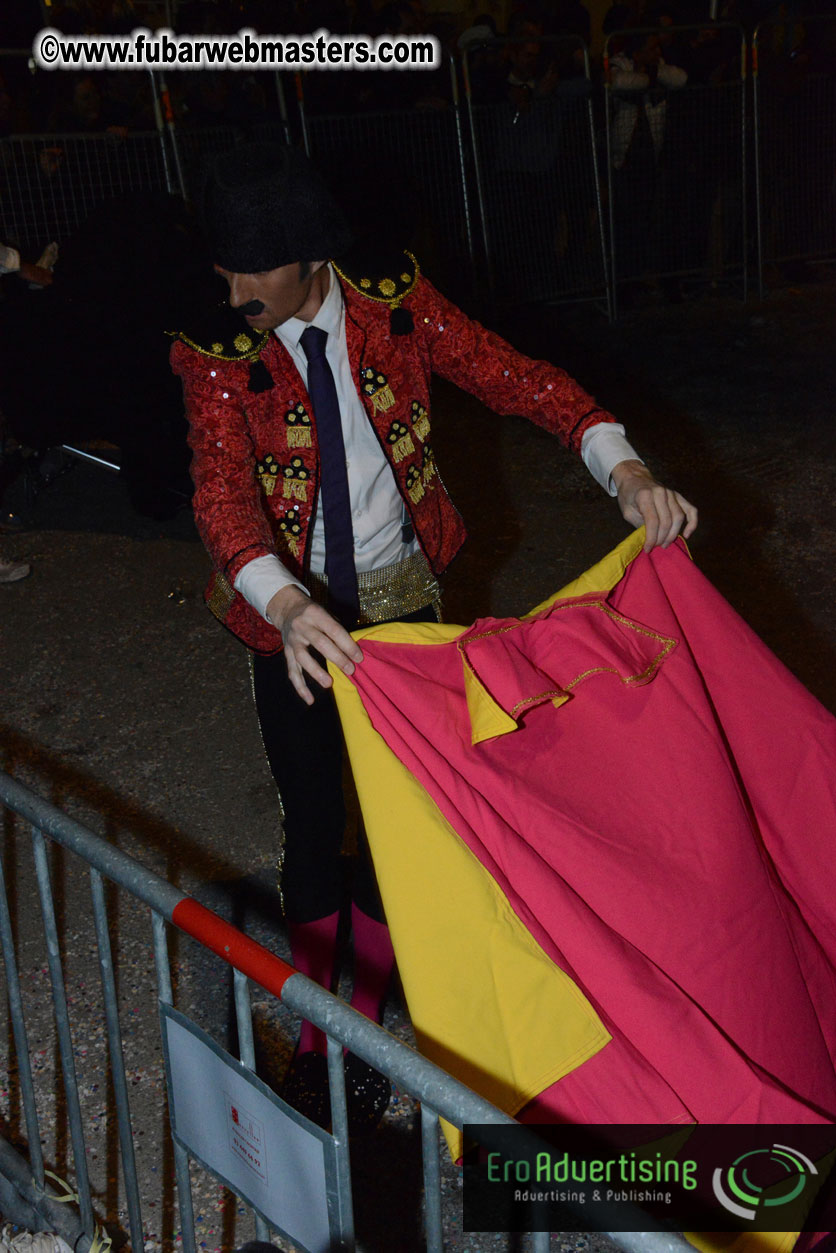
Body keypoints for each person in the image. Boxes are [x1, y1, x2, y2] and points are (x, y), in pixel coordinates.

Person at [170, 141, 696, 1131]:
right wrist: (286, 608)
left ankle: (374, 992)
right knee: (312, 816)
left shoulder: (392, 304)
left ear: (313, 258)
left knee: (399, 808)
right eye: (225, 265)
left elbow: (515, 378)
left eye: (257, 267)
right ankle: (328, 1030)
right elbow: (222, 497)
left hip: (402, 600)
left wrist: (620, 467)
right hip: (288, 620)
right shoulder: (214, 351)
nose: (236, 289)